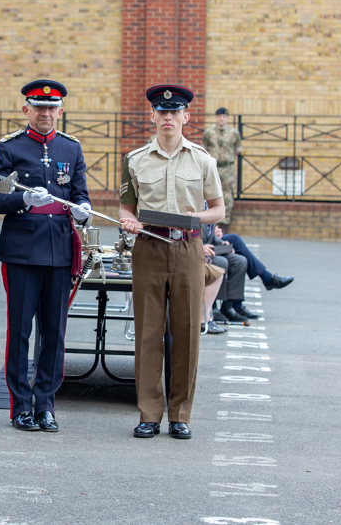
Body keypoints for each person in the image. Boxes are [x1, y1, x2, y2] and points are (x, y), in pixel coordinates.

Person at [119, 84, 225, 440]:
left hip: (187, 248)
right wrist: (128, 220)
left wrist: (198, 217)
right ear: (152, 116)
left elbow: (219, 210)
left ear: (186, 117)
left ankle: (180, 415)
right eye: (161, 112)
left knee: (186, 334)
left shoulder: (202, 160)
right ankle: (149, 413)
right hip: (149, 246)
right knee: (148, 334)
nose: (168, 117)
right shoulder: (135, 160)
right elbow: (126, 207)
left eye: (174, 112)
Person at [0, 79, 91, 433]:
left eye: (52, 108)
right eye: (39, 107)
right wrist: (23, 200)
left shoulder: (71, 148)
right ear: (26, 110)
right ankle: (20, 407)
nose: (46, 113)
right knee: (19, 331)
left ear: (60, 111)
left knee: (54, 332)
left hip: (60, 249)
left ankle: (46, 405)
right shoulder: (10, 148)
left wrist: (83, 210)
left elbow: (80, 193)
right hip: (21, 250)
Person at [202, 221, 252, 324]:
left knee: (239, 261)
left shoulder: (210, 211)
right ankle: (213, 309)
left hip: (210, 250)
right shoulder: (197, 209)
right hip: (198, 251)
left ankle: (228, 307)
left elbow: (210, 234)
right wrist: (200, 247)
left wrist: (222, 244)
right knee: (221, 262)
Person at [202, 107, 241, 226]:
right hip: (214, 166)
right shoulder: (209, 132)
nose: (221, 119)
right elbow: (205, 149)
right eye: (219, 116)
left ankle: (224, 222)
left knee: (227, 193)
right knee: (210, 191)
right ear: (216, 118)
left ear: (227, 118)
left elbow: (237, 150)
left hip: (227, 167)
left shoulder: (234, 132)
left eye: (224, 117)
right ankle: (212, 222)